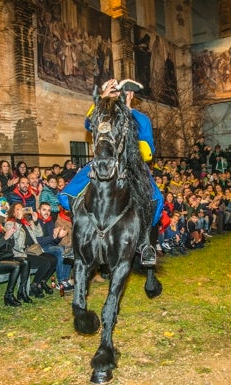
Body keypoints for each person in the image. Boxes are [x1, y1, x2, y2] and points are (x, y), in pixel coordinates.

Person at [58, 78, 163, 266]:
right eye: (112, 92)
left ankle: (144, 243)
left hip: (131, 164)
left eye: (119, 92)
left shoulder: (141, 119)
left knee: (155, 198)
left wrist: (130, 149)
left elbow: (148, 150)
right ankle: (79, 242)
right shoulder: (103, 112)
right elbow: (89, 124)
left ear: (129, 94)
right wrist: (103, 97)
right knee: (69, 193)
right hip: (104, 160)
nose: (116, 95)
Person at [6, 202, 57, 300]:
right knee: (45, 262)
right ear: (13, 212)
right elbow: (14, 237)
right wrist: (18, 221)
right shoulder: (10, 223)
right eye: (18, 209)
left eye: (22, 208)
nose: (21, 210)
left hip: (34, 250)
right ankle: (34, 285)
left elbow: (39, 234)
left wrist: (35, 221)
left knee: (53, 259)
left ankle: (41, 282)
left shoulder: (27, 222)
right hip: (21, 253)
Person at [35, 202, 72, 290]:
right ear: (39, 210)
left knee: (68, 249)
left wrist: (59, 237)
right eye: (44, 210)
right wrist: (53, 236)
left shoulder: (50, 221)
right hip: (39, 247)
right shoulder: (36, 221)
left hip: (49, 246)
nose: (46, 212)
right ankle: (61, 281)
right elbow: (39, 241)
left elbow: (54, 241)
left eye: (48, 210)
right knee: (60, 249)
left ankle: (65, 280)